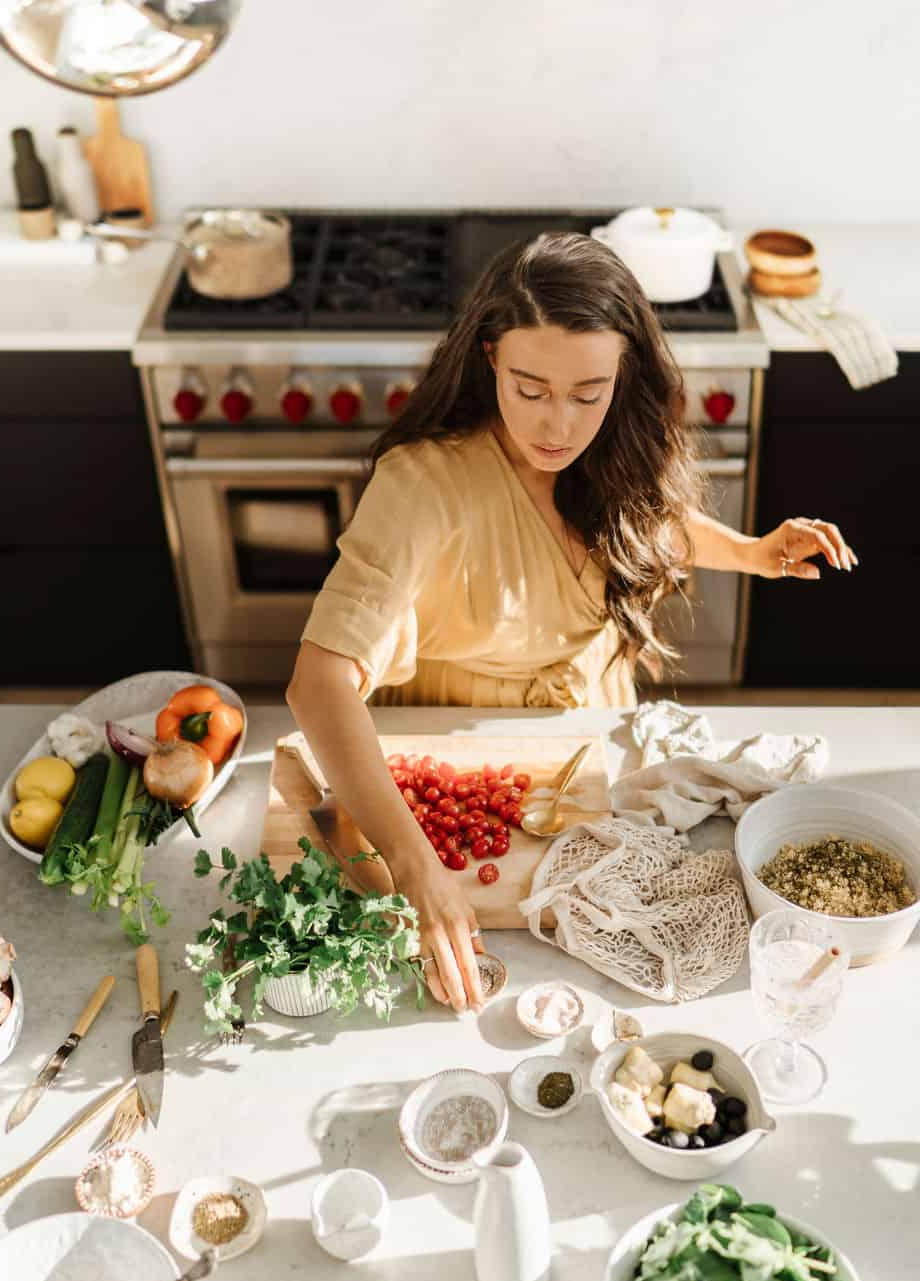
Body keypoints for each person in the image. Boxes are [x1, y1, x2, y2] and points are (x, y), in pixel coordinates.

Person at [286, 231, 857, 1013]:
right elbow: (318, 683)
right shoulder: (420, 484)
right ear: (490, 358)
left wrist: (754, 553)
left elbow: (649, 521)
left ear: (622, 373)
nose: (559, 424)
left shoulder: (612, 444)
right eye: (531, 389)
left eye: (588, 393)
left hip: (595, 734)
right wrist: (415, 866)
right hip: (469, 744)